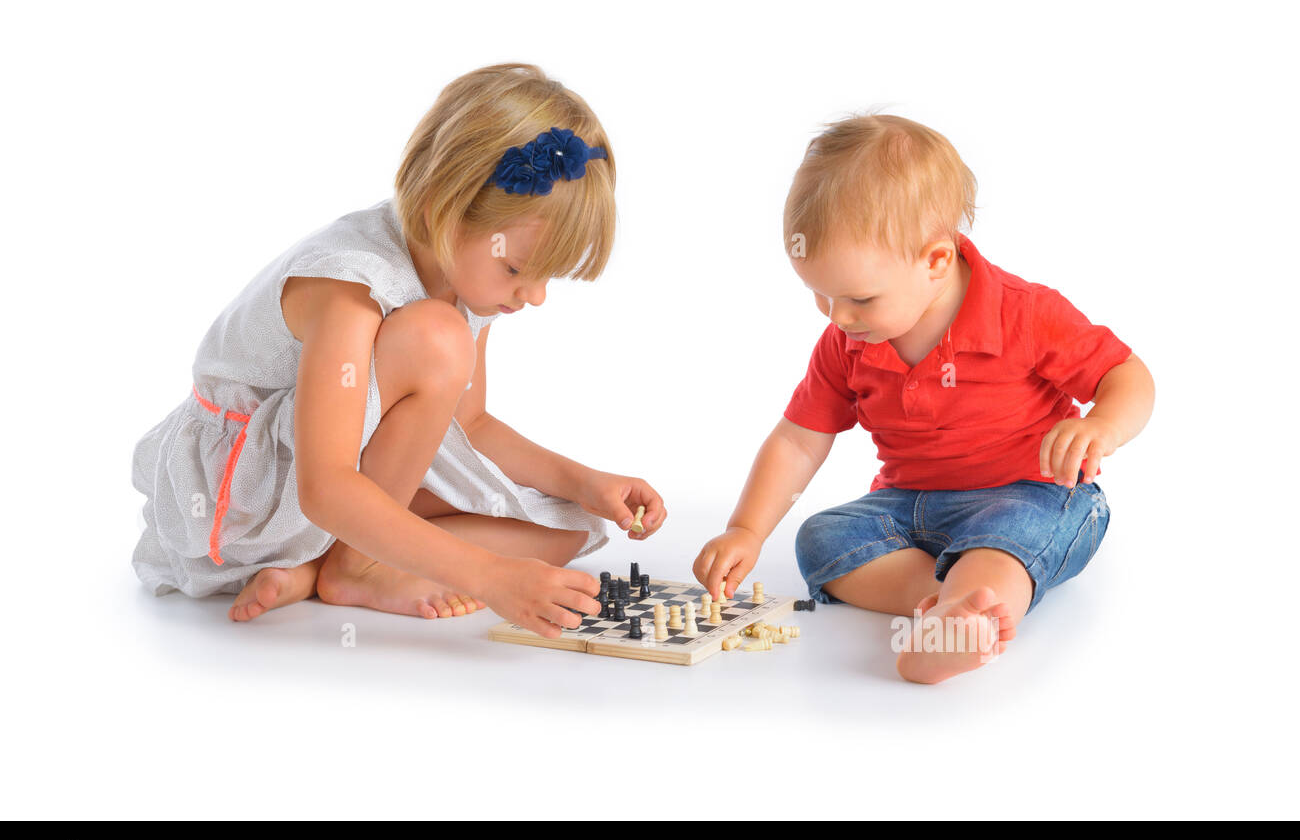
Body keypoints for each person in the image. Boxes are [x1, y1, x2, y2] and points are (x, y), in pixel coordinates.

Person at [131, 63, 665, 639]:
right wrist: (491, 578)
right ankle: (355, 566)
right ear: (443, 210)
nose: (533, 297)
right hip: (244, 493)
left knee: (570, 522)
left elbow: (471, 426)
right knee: (436, 336)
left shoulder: (465, 277)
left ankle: (318, 567)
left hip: (328, 471)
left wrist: (586, 482)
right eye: (516, 269)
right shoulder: (350, 287)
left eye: (546, 278)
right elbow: (327, 485)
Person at [692, 113, 1154, 683]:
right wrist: (747, 528)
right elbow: (798, 439)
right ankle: (947, 605)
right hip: (908, 506)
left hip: (1027, 493)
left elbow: (1126, 374)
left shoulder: (1023, 313)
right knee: (821, 539)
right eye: (820, 294)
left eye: (858, 297)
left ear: (936, 260)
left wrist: (1103, 424)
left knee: (1012, 539)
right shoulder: (849, 341)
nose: (837, 317)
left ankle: (974, 607)